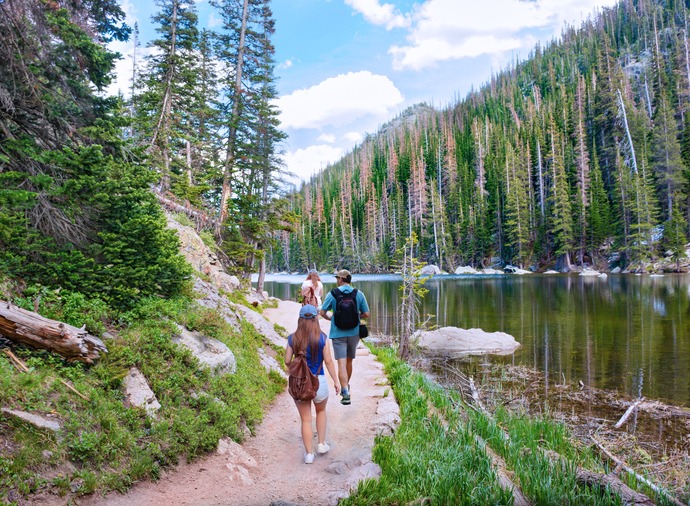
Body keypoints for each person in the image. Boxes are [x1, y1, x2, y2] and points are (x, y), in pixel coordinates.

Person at [285, 304, 341, 464]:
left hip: (300, 384)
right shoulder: (322, 338)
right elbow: (329, 361)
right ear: (316, 318)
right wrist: (336, 381)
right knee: (321, 411)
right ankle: (322, 444)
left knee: (306, 419)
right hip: (319, 382)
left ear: (300, 320)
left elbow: (287, 361)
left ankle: (309, 454)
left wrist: (298, 368)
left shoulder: (292, 338)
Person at [319, 269, 370, 406]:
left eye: (337, 278)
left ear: (341, 279)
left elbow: (322, 312)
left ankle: (345, 391)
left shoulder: (333, 294)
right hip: (354, 333)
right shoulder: (358, 294)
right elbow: (366, 313)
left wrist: (332, 318)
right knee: (349, 361)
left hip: (338, 333)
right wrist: (355, 316)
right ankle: (346, 385)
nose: (336, 280)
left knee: (341, 363)